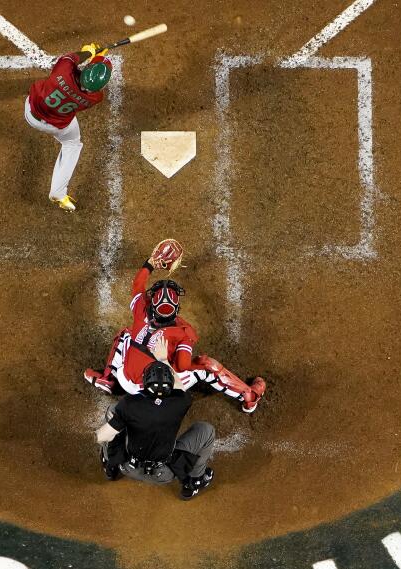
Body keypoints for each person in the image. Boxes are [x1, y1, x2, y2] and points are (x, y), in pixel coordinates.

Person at [83, 242, 267, 413]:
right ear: (176, 308)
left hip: (125, 379)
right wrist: (167, 357)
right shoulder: (183, 332)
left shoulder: (141, 308)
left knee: (126, 334)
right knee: (206, 365)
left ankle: (108, 378)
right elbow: (182, 365)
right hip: (155, 390)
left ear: (152, 304)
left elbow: (137, 283)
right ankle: (249, 397)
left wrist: (150, 263)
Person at [95, 361, 216, 500]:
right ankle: (194, 482)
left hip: (128, 467)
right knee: (206, 430)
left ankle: (110, 466)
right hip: (164, 475)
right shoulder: (181, 401)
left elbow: (104, 435)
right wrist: (164, 360)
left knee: (113, 412)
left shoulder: (129, 403)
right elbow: (179, 385)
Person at [25, 43, 113, 212]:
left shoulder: (63, 70)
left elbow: (73, 58)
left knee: (46, 86)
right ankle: (58, 192)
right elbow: (85, 85)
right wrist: (98, 59)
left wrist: (89, 53)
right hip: (56, 126)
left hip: (31, 112)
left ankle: (58, 192)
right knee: (72, 144)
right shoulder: (95, 97)